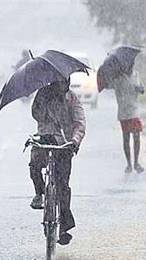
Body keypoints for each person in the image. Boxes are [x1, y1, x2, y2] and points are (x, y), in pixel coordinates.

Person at [29, 78, 86, 245]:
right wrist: (44, 99)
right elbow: (35, 114)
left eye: (64, 82)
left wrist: (75, 141)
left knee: (63, 187)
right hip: (45, 139)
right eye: (58, 82)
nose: (61, 85)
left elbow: (80, 123)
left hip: (65, 145)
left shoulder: (72, 99)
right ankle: (39, 194)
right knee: (34, 165)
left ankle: (64, 227)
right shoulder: (43, 93)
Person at [111, 66, 145, 173]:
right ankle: (129, 164)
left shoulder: (136, 74)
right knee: (126, 138)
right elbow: (116, 91)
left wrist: (138, 88)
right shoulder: (118, 78)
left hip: (134, 110)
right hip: (124, 112)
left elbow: (142, 90)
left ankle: (136, 162)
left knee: (136, 136)